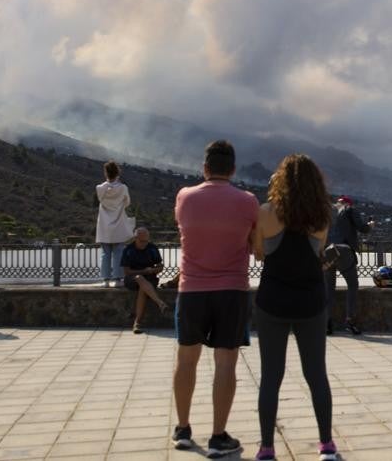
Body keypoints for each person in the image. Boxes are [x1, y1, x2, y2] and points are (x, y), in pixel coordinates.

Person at [171, 140, 257, 457]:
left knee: (186, 360)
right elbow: (254, 241)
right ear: (233, 169)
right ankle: (218, 436)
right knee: (225, 364)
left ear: (204, 167)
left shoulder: (184, 197)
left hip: (191, 290)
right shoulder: (247, 201)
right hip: (232, 291)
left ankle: (182, 429)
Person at [251, 154, 338, 461]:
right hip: (311, 302)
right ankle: (326, 445)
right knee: (316, 374)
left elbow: (259, 254)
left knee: (271, 376)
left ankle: (266, 447)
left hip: (272, 301)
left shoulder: (265, 213)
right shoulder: (322, 217)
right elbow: (317, 252)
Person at [326, 195, 371, 336]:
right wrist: (370, 225)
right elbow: (362, 228)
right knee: (352, 285)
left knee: (328, 289)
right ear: (348, 203)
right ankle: (349, 321)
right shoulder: (350, 209)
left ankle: (327, 323)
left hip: (327, 251)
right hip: (344, 250)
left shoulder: (328, 212)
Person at [122, 227, 168, 334]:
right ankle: (160, 302)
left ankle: (137, 323)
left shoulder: (152, 248)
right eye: (141, 241)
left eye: (146, 241)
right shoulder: (128, 250)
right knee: (139, 278)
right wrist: (143, 271)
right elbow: (127, 271)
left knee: (143, 288)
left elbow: (160, 266)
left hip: (150, 278)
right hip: (132, 279)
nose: (144, 244)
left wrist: (153, 270)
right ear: (135, 238)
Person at [96, 161, 135, 288]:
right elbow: (127, 202)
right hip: (118, 223)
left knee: (105, 253)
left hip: (104, 225)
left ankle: (106, 280)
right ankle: (118, 279)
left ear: (105, 173)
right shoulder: (123, 188)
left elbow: (101, 200)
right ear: (118, 173)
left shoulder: (100, 188)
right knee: (118, 252)